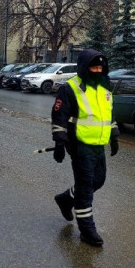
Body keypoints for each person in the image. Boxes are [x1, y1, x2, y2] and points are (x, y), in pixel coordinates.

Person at [51, 48, 119, 247]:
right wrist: (59, 142)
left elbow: (109, 115)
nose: (97, 70)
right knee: (85, 189)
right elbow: (59, 115)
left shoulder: (105, 88)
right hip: (79, 144)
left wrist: (114, 136)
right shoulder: (70, 87)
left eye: (100, 67)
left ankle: (65, 199)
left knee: (97, 181)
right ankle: (87, 230)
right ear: (83, 67)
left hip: (99, 144)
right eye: (93, 67)